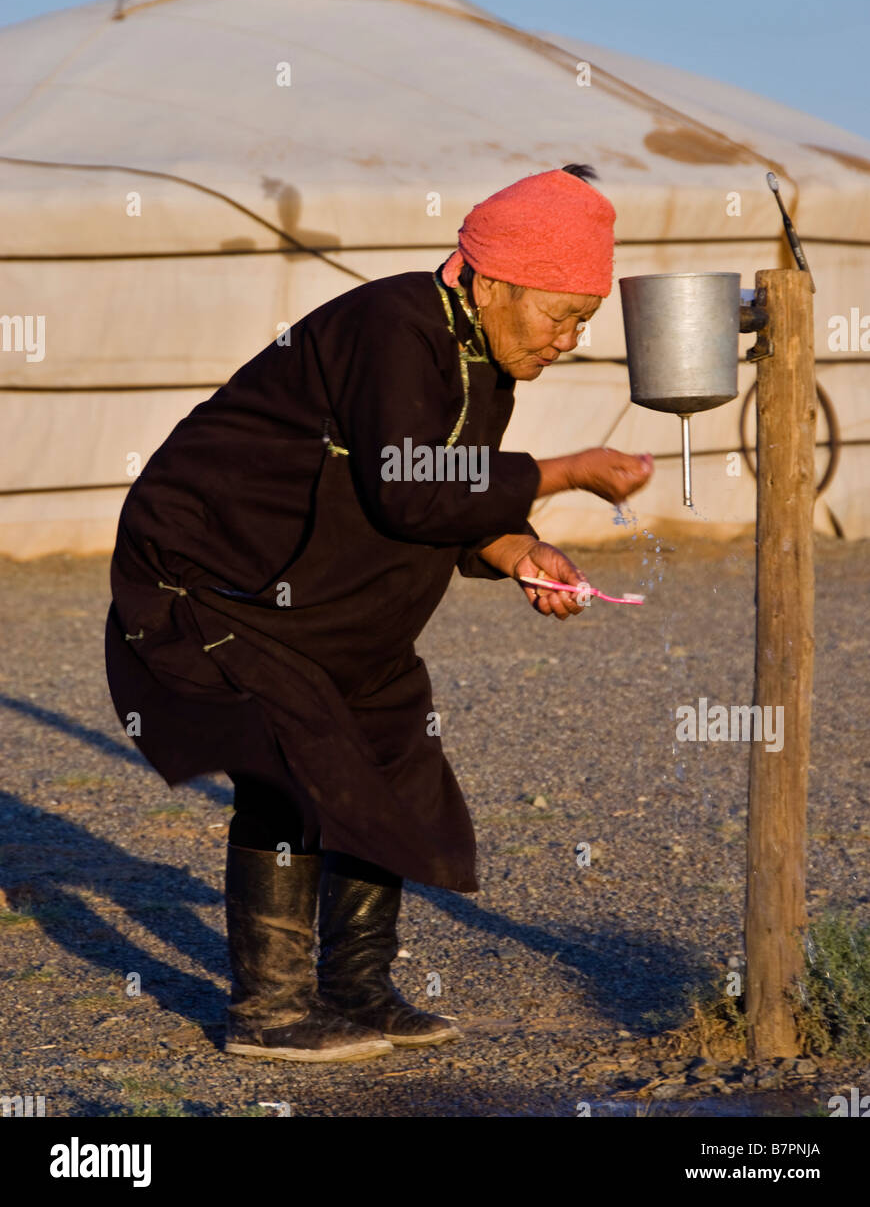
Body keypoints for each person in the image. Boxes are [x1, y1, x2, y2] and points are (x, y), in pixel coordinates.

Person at [104, 163, 654, 1064]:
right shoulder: (394, 323)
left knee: (394, 758)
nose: (568, 339)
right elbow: (406, 484)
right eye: (559, 314)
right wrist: (565, 472)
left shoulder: (484, 360)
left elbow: (441, 501)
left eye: (582, 322)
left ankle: (355, 987)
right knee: (291, 763)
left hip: (325, 602)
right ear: (490, 280)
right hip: (210, 578)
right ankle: (270, 1013)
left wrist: (521, 552)